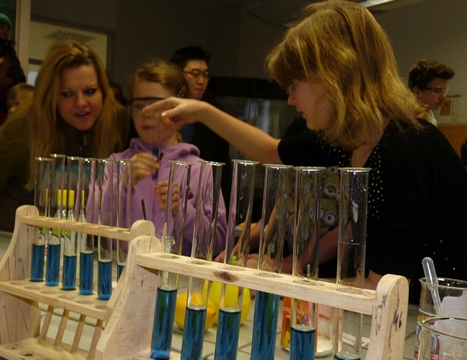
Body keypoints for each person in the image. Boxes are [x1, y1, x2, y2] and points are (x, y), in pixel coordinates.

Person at [149, 0, 467, 303]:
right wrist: (202, 111)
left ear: (332, 75)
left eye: (293, 86)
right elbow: (271, 151)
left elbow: (380, 289)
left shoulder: (404, 148)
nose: (290, 100)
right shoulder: (351, 138)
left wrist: (276, 279)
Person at [0, 40, 130, 231]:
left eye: (90, 91)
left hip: (79, 241)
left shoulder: (116, 121)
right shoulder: (24, 125)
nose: (81, 103)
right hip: (11, 238)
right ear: (50, 95)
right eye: (67, 94)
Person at [105, 60, 227, 256]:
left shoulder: (200, 170)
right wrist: (122, 187)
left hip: (177, 275)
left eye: (157, 106)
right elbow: (92, 227)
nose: (146, 114)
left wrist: (183, 212)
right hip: (120, 270)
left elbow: (217, 242)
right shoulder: (116, 164)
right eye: (139, 106)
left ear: (180, 116)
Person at [170, 46, 233, 211]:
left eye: (205, 75)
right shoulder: (166, 110)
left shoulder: (214, 112)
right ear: (177, 74)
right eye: (195, 74)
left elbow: (223, 168)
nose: (201, 81)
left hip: (201, 201)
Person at [408, 59, 455, 126]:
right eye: (437, 90)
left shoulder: (431, 119)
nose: (444, 96)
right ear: (417, 92)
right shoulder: (402, 120)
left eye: (445, 90)